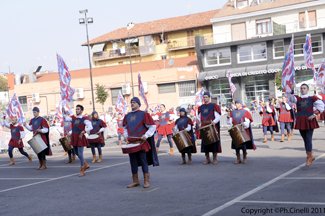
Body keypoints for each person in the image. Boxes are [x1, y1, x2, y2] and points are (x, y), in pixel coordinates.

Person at [123, 97, 158, 188]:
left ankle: (146, 181)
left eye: (134, 102)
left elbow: (152, 126)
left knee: (143, 161)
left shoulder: (144, 114)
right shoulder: (127, 116)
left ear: (139, 104)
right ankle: (135, 181)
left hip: (141, 142)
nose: (132, 104)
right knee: (133, 162)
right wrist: (125, 135)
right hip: (131, 143)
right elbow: (125, 127)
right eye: (131, 102)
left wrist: (146, 135)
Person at [288, 84, 324, 166]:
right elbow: (291, 98)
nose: (302, 89)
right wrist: (293, 89)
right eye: (301, 88)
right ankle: (309, 155)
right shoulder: (298, 98)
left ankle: (309, 156)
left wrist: (314, 114)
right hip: (301, 119)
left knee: (308, 138)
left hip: (309, 120)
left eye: (304, 88)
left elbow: (322, 106)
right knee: (305, 139)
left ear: (308, 90)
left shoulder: (312, 98)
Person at [63, 105, 93, 177]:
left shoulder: (84, 118)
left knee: (80, 153)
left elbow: (90, 127)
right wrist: (63, 112)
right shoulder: (72, 117)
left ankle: (82, 170)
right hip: (74, 137)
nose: (76, 110)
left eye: (78, 109)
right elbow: (66, 119)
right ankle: (85, 164)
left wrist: (83, 132)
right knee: (76, 153)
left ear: (81, 111)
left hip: (80, 137)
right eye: (76, 109)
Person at [227, 99, 256, 164]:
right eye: (236, 103)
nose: (236, 104)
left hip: (242, 129)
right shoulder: (232, 112)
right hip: (235, 129)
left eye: (237, 103)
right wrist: (228, 118)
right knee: (236, 144)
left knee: (243, 144)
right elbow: (229, 123)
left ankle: (245, 158)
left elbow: (247, 122)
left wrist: (244, 124)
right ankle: (238, 159)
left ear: (241, 104)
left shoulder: (245, 111)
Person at [198, 91, 221, 165]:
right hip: (204, 127)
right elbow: (199, 117)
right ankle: (207, 159)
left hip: (211, 126)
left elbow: (217, 117)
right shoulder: (201, 107)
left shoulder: (214, 106)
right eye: (204, 97)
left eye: (206, 97)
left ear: (209, 98)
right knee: (205, 144)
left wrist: (213, 122)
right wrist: (197, 121)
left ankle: (214, 158)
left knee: (213, 143)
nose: (205, 98)